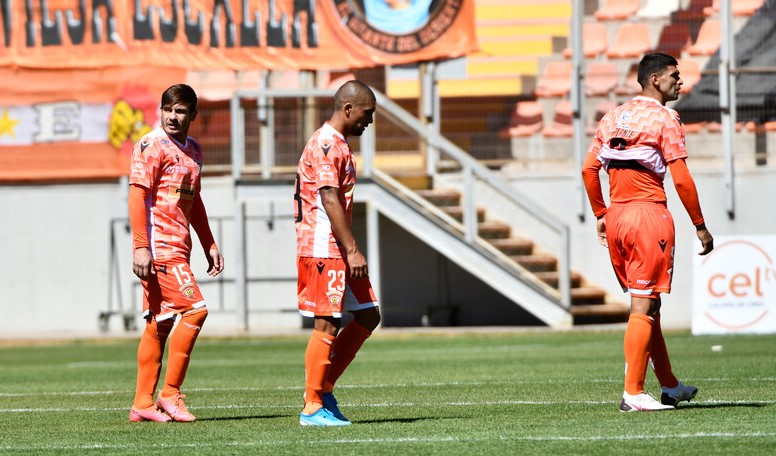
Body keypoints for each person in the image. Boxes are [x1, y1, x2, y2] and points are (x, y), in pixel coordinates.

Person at [581, 53, 714, 412]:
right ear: (655, 79)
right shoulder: (665, 118)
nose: (680, 81)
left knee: (648, 303)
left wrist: (600, 213)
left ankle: (670, 386)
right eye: (675, 75)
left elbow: (589, 170)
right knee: (643, 305)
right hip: (647, 215)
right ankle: (633, 393)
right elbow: (681, 178)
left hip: (618, 215)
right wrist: (700, 226)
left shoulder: (611, 117)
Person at [127, 84, 224, 423]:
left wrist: (209, 242)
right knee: (196, 312)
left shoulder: (194, 149)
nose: (172, 116)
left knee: (161, 322)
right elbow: (137, 195)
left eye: (180, 110)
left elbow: (193, 200)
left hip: (178, 247)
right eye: (167, 108)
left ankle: (142, 403)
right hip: (160, 248)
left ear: (193, 116)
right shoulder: (152, 145)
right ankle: (170, 394)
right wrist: (141, 246)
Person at [294, 80, 382, 426]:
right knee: (327, 322)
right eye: (367, 113)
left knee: (368, 315)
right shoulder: (328, 144)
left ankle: (324, 386)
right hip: (322, 245)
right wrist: (353, 249)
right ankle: (312, 405)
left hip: (336, 246)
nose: (370, 121)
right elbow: (329, 196)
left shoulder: (339, 144)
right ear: (348, 109)